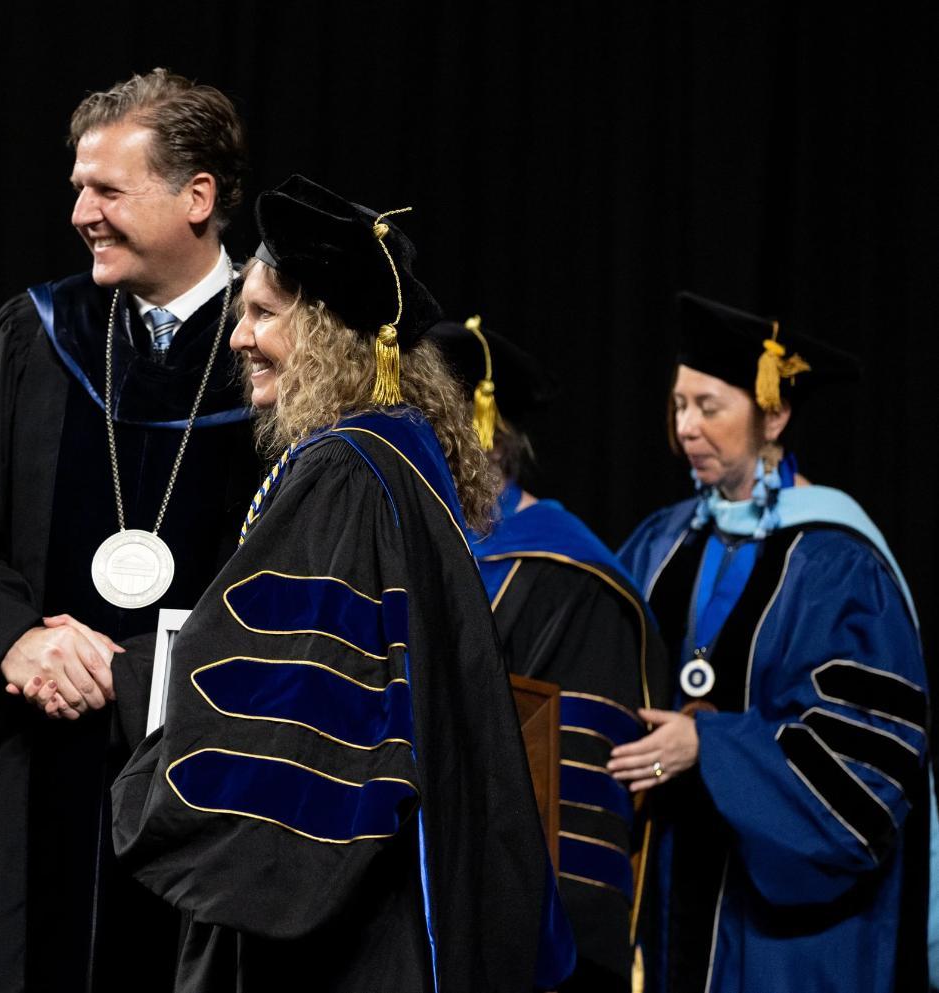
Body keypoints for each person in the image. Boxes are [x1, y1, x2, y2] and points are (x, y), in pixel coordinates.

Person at [112, 175, 573, 992]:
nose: (238, 339)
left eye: (261, 314)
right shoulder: (397, 456)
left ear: (324, 329)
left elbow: (290, 707)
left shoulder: (342, 474)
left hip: (352, 931)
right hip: (401, 887)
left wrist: (125, 673)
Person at [0, 69, 262, 993]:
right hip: (33, 768)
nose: (82, 211)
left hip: (208, 786)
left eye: (108, 189)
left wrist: (134, 675)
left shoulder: (279, 354)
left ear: (197, 196)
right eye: (78, 187)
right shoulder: (35, 340)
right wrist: (16, 639)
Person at [609, 292, 929, 993]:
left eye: (709, 406)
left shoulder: (838, 563)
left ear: (773, 413)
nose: (686, 427)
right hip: (662, 902)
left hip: (784, 939)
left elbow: (869, 760)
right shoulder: (662, 541)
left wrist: (710, 747)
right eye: (678, 405)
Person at [430, 316, 668, 992]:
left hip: (518, 943)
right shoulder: (406, 541)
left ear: (481, 430)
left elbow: (579, 830)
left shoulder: (570, 576)